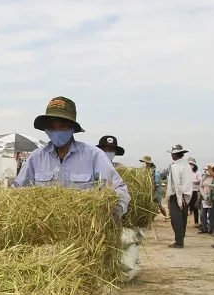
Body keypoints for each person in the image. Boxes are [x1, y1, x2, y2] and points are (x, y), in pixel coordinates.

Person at [13, 96, 130, 226]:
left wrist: (117, 208)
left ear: (72, 127)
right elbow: (16, 191)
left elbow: (119, 189)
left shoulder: (93, 155)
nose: (56, 131)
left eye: (62, 126)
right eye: (51, 127)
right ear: (46, 130)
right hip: (45, 229)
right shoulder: (37, 157)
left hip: (83, 230)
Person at [164, 145, 193, 248]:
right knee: (183, 219)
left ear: (175, 155)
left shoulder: (175, 166)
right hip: (186, 195)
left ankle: (179, 241)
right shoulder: (187, 165)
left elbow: (177, 183)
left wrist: (179, 200)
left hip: (177, 195)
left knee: (176, 219)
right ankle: (180, 239)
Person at [188, 158, 201, 227]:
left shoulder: (197, 172)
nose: (190, 165)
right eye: (189, 164)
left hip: (194, 191)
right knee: (186, 206)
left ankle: (196, 222)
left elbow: (199, 181)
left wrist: (193, 181)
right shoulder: (186, 173)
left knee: (195, 207)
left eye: (191, 164)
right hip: (187, 191)